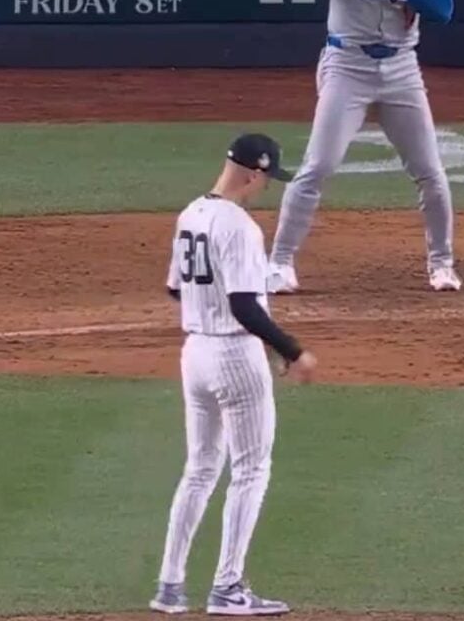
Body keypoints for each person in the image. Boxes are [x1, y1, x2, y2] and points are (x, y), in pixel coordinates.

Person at [263, 0, 460, 294]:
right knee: (318, 167)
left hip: (402, 68)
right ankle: (279, 262)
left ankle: (442, 264)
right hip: (347, 65)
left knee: (430, 171)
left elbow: (443, 10)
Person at [149, 133, 319, 617]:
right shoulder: (240, 227)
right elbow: (245, 305)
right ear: (253, 172)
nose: (265, 187)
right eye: (266, 178)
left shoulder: (191, 214)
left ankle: (170, 585)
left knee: (200, 469)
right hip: (235, 357)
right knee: (250, 470)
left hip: (195, 354)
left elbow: (174, 290)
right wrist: (292, 350)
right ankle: (227, 588)